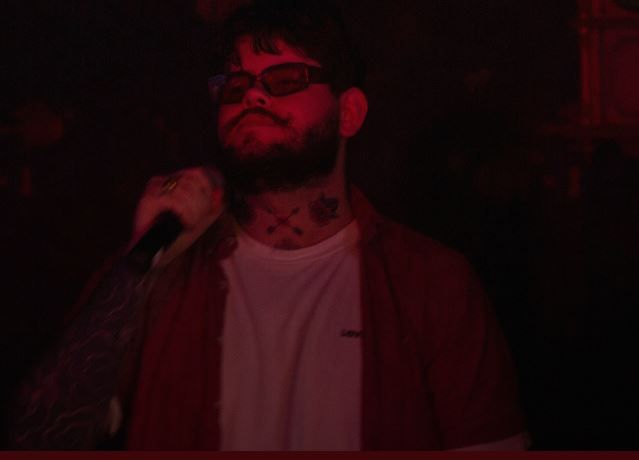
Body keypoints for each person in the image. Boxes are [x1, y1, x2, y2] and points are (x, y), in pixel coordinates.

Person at [9, 0, 528, 450]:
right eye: (235, 82)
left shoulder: (432, 286)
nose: (251, 96)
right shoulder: (161, 273)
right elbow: (38, 437)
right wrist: (143, 264)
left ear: (348, 112)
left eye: (284, 79)